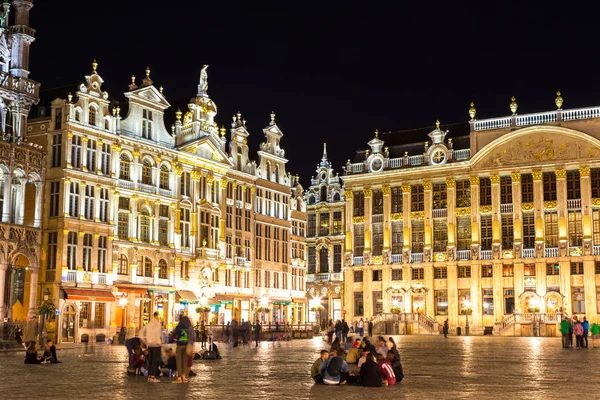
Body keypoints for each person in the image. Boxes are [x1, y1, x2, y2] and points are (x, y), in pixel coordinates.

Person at [139, 311, 163, 383]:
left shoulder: (148, 324)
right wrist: (160, 342)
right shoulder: (158, 324)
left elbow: (140, 333)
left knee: (150, 360)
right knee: (154, 361)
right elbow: (160, 335)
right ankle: (152, 376)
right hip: (156, 344)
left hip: (150, 345)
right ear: (157, 316)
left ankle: (149, 376)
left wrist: (145, 340)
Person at [173, 315, 192, 383]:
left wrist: (175, 339)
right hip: (186, 345)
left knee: (179, 361)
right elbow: (192, 337)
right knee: (185, 361)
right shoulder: (189, 327)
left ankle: (179, 377)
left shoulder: (178, 327)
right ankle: (184, 376)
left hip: (180, 345)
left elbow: (174, 335)